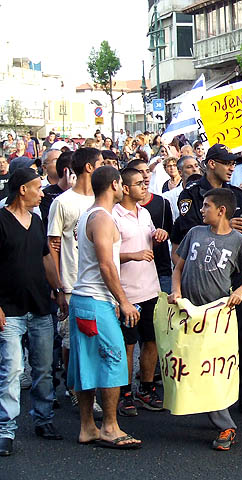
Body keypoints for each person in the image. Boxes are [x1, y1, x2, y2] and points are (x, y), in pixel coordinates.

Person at [171, 144, 242, 414]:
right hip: (199, 282)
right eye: (226, 162)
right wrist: (223, 225)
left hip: (230, 279)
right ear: (211, 164)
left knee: (241, 337)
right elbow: (189, 230)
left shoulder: (235, 194)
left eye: (234, 162)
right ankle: (200, 394)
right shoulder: (192, 195)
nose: (232, 167)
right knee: (199, 344)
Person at [170, 188, 242, 450]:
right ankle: (211, 411)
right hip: (188, 312)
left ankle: (225, 425)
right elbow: (179, 267)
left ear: (221, 210)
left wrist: (240, 292)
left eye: (207, 206)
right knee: (191, 363)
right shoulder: (195, 233)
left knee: (212, 369)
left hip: (216, 316)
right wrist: (176, 290)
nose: (201, 209)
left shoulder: (238, 241)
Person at [67, 166, 142, 449]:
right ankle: (109, 426)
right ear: (114, 185)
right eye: (122, 184)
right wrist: (123, 301)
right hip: (96, 302)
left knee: (85, 363)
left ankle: (88, 427)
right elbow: (106, 264)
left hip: (85, 301)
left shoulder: (90, 214)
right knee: (113, 360)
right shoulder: (102, 218)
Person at [0, 168, 68, 456]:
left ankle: (44, 419)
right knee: (13, 369)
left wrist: (60, 290)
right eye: (38, 188)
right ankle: (5, 430)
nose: (43, 193)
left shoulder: (37, 221)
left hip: (40, 306)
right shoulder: (1, 221)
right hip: (10, 309)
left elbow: (46, 260)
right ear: (22, 190)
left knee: (43, 368)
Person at [47, 148, 103, 414]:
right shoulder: (63, 202)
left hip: (100, 285)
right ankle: (75, 389)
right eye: (101, 163)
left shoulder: (103, 200)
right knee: (72, 342)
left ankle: (91, 388)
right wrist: (57, 286)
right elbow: (53, 246)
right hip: (71, 284)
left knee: (97, 340)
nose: (105, 166)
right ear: (89, 168)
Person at [112, 168, 168, 417]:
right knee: (128, 344)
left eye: (145, 183)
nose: (144, 187)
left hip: (150, 288)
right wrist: (132, 255)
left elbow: (150, 238)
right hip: (127, 293)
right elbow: (105, 256)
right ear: (125, 188)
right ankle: (124, 392)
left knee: (152, 340)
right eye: (138, 184)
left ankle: (146, 388)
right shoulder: (112, 215)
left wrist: (159, 235)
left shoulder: (144, 213)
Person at [126, 160, 173, 295]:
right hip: (133, 273)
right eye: (141, 172)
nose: (146, 176)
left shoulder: (162, 202)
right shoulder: (119, 210)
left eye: (148, 171)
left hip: (161, 268)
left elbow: (170, 232)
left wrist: (162, 234)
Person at [162, 155, 200, 221]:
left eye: (196, 166)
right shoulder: (168, 197)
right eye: (189, 167)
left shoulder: (208, 192)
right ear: (180, 172)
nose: (194, 169)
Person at [40, 151, 74, 227]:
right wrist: (70, 193)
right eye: (56, 160)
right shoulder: (46, 194)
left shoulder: (83, 192)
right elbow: (54, 222)